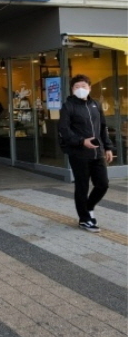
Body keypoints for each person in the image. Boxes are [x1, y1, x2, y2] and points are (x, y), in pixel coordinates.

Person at [58, 74, 113, 232]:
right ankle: (84, 219)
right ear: (72, 89)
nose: (80, 89)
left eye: (83, 86)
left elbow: (103, 127)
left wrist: (108, 147)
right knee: (82, 186)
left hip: (98, 153)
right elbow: (64, 129)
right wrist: (82, 141)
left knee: (103, 184)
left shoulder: (95, 104)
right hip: (79, 153)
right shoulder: (68, 106)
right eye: (76, 87)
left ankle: (88, 208)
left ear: (89, 88)